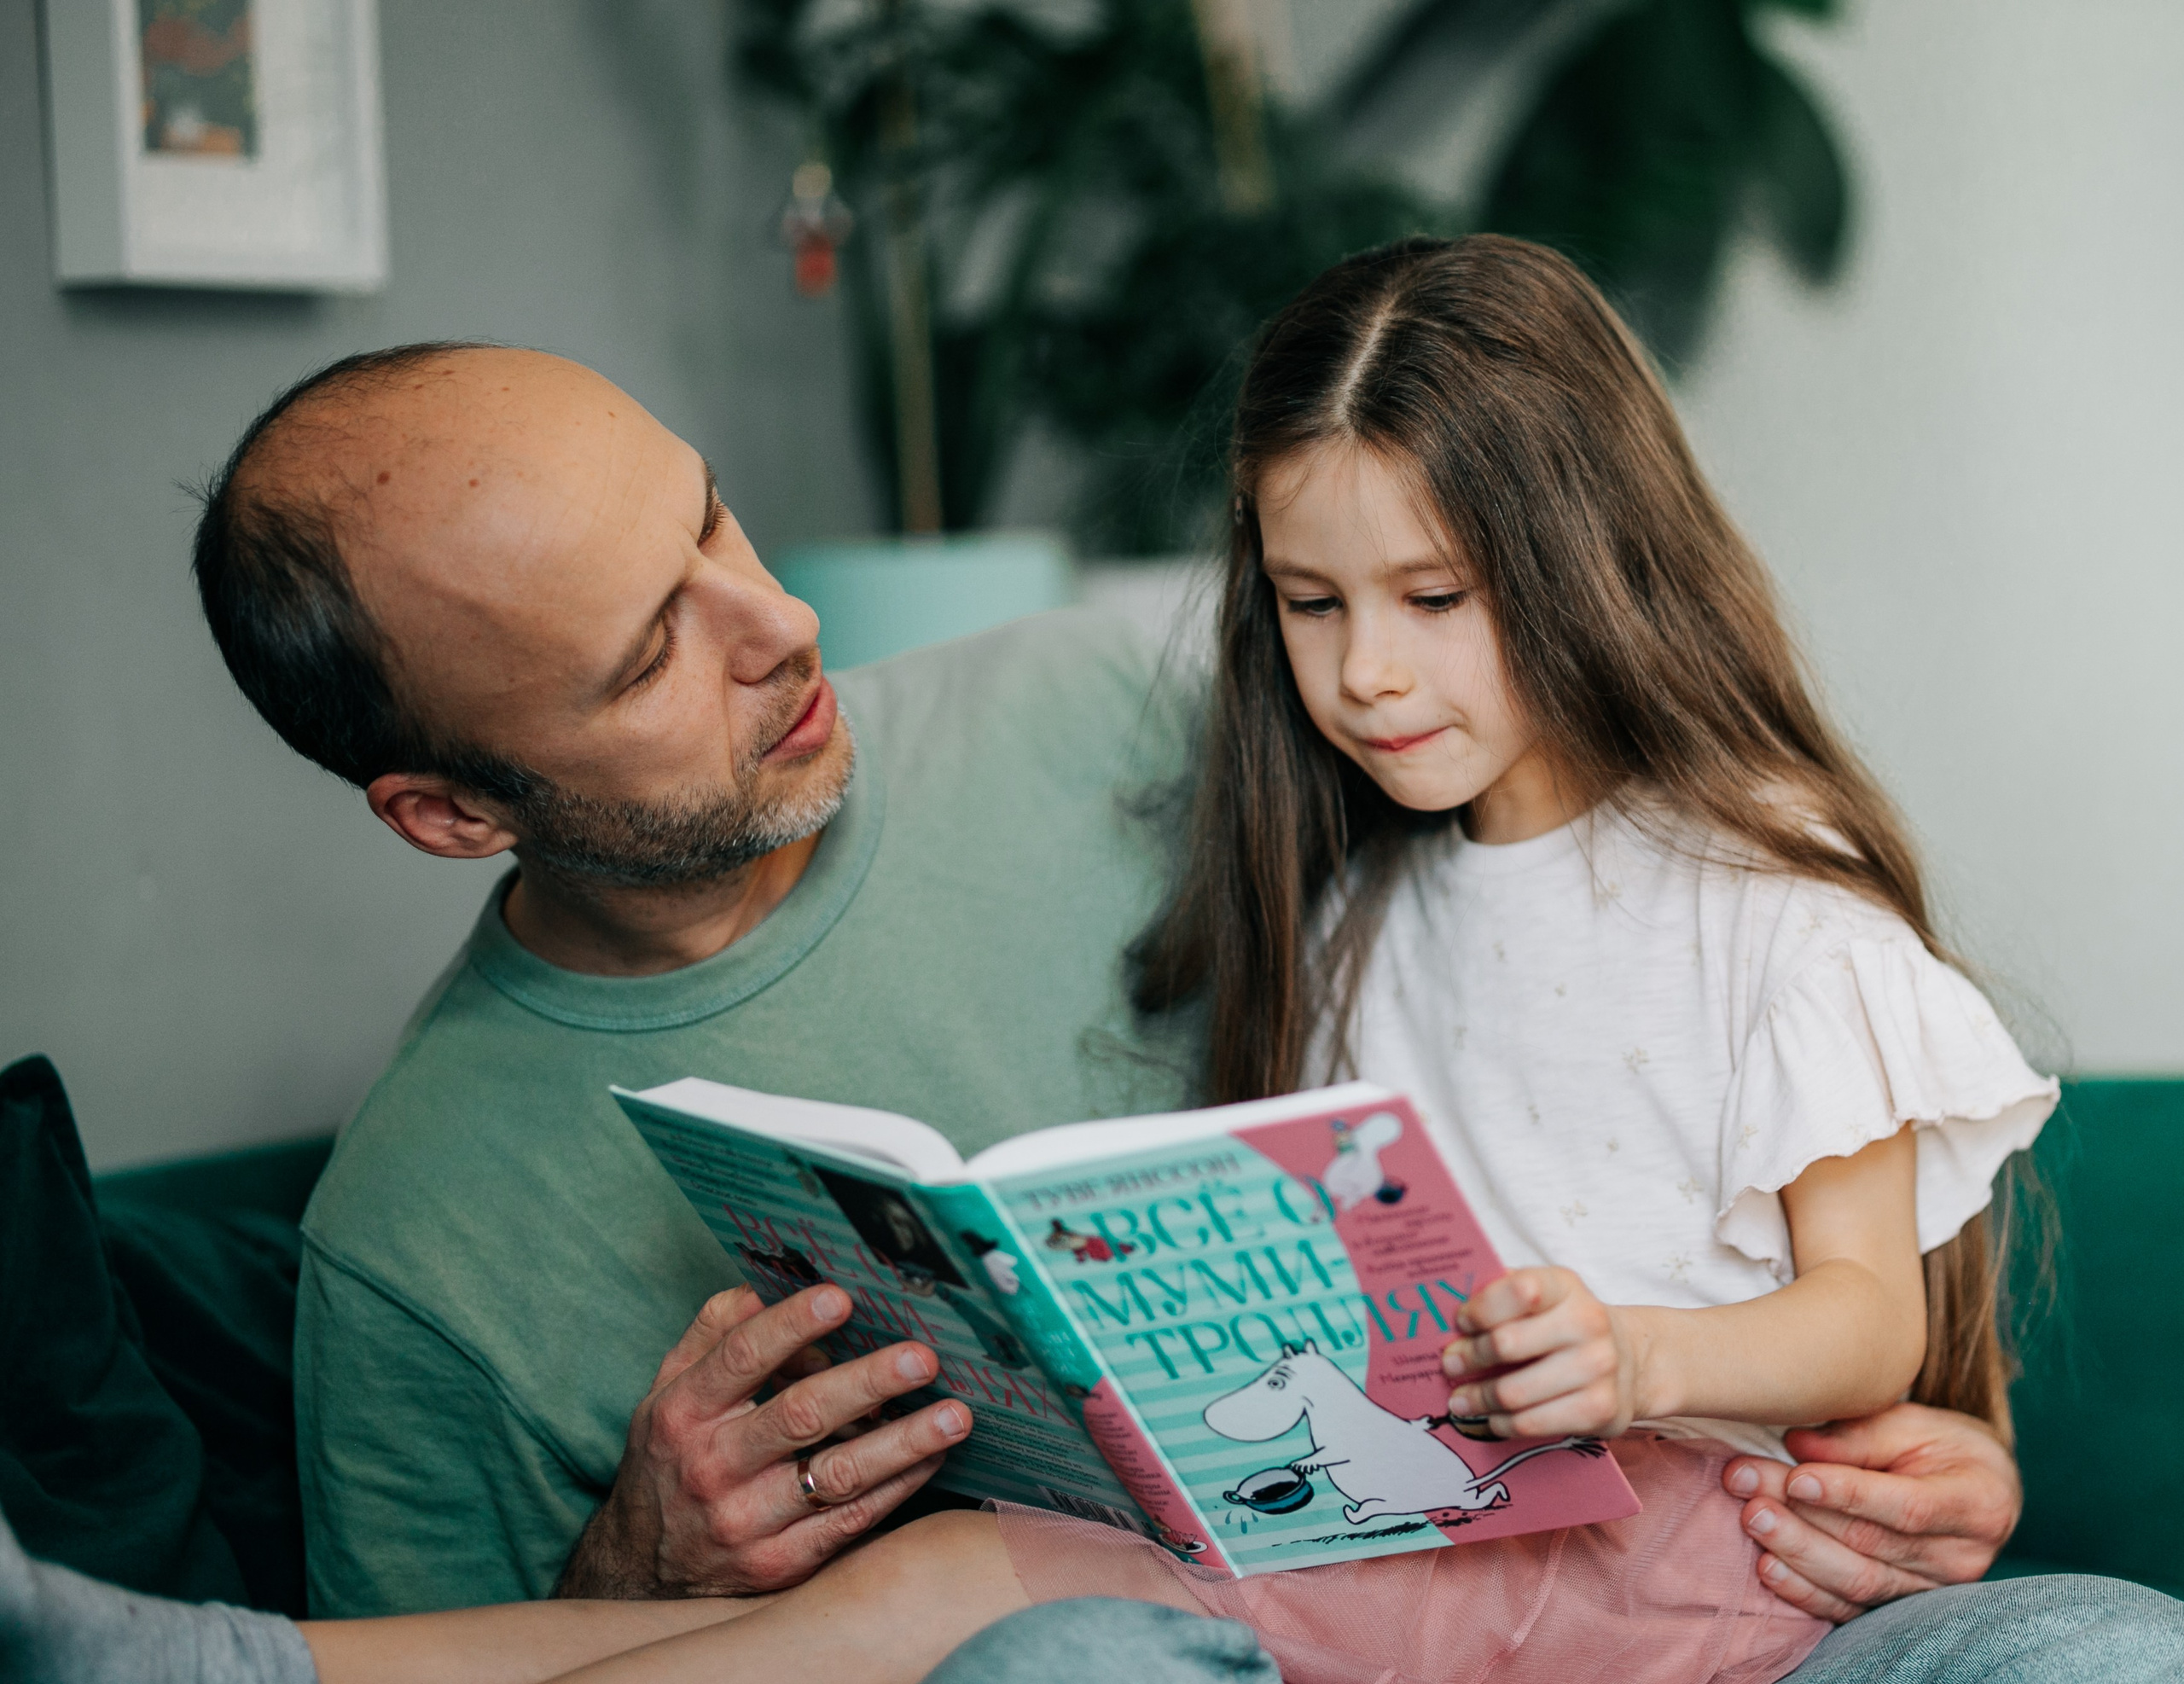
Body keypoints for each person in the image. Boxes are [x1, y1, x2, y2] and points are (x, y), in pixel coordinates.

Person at [192, 340, 2161, 1675]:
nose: (778, 622)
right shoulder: (410, 1252)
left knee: (2098, 1648)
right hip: (1223, 1613)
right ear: (447, 811)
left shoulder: (1167, 727)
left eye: (709, 517)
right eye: (646, 660)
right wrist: (644, 1566)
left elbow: (1707, 1064)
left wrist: (1924, 1434)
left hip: (1580, 1553)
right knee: (1041, 1649)